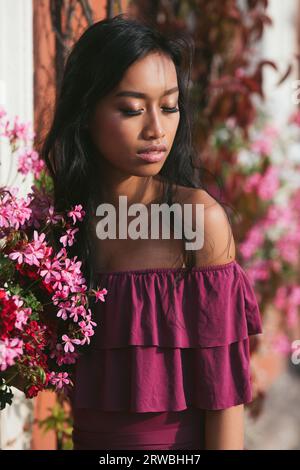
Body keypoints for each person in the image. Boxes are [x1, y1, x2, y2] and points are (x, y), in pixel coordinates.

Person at [42, 14, 263, 450]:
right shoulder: (58, 227)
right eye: (131, 109)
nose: (156, 131)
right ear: (85, 113)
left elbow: (224, 403)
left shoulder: (196, 221)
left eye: (169, 106)